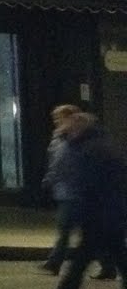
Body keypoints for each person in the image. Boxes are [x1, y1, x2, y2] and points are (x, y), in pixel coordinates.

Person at [41, 110, 127, 289]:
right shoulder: (101, 145)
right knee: (117, 260)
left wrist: (84, 212)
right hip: (110, 214)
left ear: (80, 128)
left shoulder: (89, 149)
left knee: (79, 264)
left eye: (70, 127)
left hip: (99, 215)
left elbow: (88, 185)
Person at [41, 103, 115, 278]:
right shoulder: (62, 138)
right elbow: (58, 162)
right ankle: (106, 265)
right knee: (79, 231)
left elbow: (71, 163)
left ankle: (56, 264)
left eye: (60, 118)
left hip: (77, 192)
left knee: (69, 229)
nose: (57, 122)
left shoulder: (78, 139)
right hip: (68, 190)